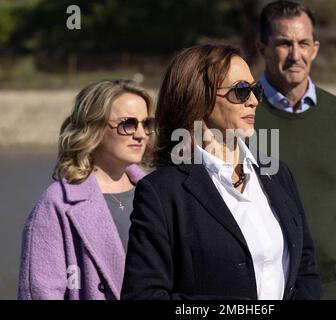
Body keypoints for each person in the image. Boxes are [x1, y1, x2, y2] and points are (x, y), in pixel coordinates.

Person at [121, 44, 321, 300]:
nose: (253, 100)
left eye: (256, 89)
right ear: (199, 100)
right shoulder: (161, 192)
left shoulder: (278, 174)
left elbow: (306, 268)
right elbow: (143, 296)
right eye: (240, 91)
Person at [255, 1, 336, 299]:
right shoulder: (239, 114)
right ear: (262, 47)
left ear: (315, 48)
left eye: (303, 43)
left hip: (330, 290)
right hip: (264, 290)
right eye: (283, 44)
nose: (295, 55)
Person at [18, 79, 155, 300]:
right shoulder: (57, 204)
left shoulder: (157, 194)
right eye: (128, 124)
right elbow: (41, 293)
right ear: (94, 128)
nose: (141, 134)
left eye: (146, 124)